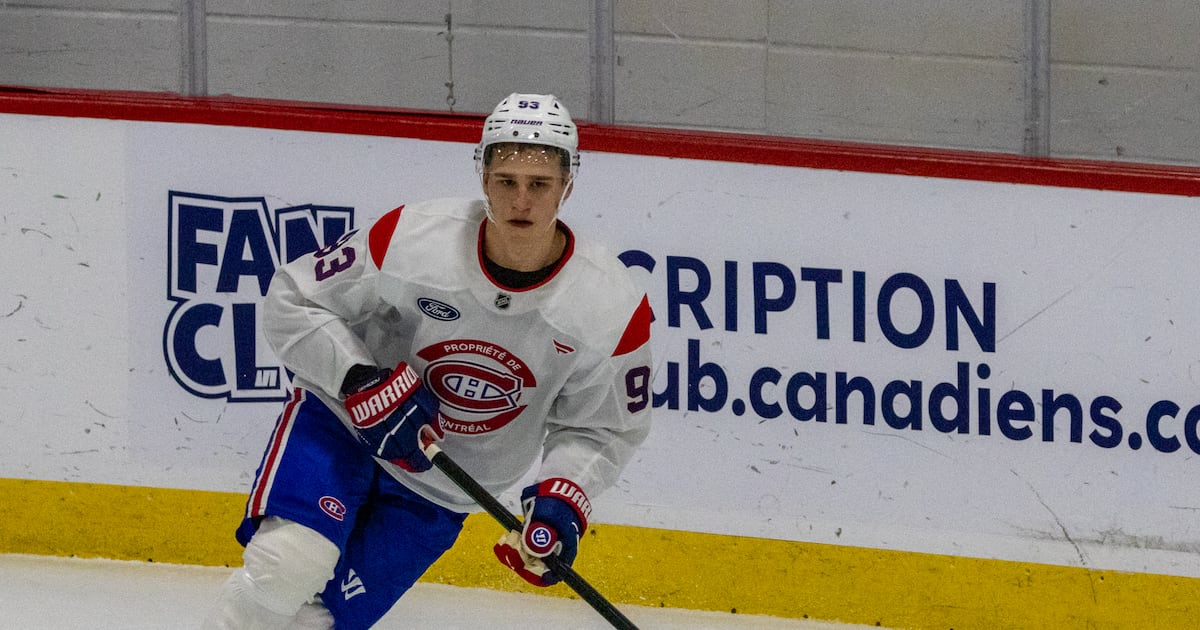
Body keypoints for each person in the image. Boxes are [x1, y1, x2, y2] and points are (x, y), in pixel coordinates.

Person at [202, 93, 654, 629]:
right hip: (343, 426)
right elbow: (293, 299)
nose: (521, 200)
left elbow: (602, 429)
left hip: (444, 486)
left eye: (540, 184)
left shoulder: (610, 307)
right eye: (506, 180)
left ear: (568, 186)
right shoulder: (411, 238)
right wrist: (355, 378)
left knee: (318, 622)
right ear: (483, 179)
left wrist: (561, 499)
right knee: (286, 565)